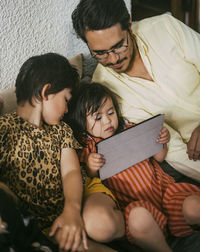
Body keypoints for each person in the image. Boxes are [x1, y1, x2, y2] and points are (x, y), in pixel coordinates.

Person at [71, 0, 200, 183]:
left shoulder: (165, 28)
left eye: (118, 46)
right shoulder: (104, 91)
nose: (113, 59)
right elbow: (169, 144)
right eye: (100, 53)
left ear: (129, 25)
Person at [0, 53, 125, 252]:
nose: (67, 109)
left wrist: (72, 210)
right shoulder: (5, 129)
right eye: (66, 99)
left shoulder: (61, 131)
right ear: (46, 92)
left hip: (74, 204)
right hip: (42, 227)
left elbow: (71, 172)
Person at [68, 81, 200, 252]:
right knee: (138, 219)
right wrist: (92, 167)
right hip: (137, 206)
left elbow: (159, 158)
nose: (108, 120)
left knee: (193, 206)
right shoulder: (89, 149)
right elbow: (90, 180)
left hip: (166, 192)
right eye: (98, 118)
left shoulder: (130, 129)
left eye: (111, 112)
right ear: (82, 122)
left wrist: (162, 141)